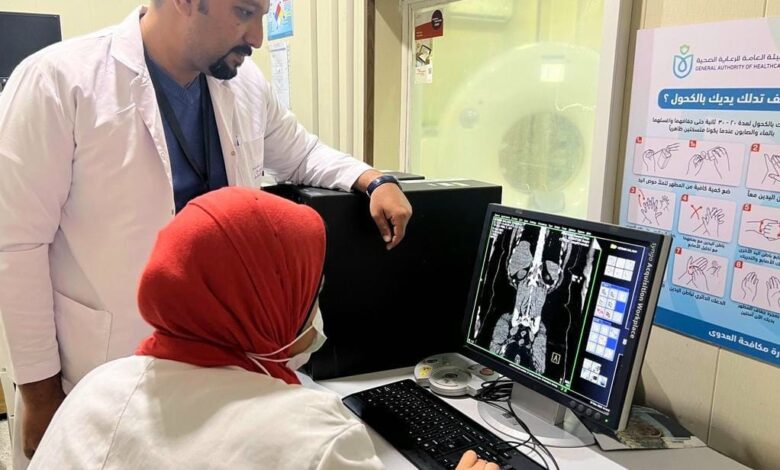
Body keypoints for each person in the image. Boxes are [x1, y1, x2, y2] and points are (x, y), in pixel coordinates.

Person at [0, 0, 411, 466]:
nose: (257, 38)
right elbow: (16, 246)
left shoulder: (242, 83)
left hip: (228, 374)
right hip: (103, 370)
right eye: (244, 12)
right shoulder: (58, 81)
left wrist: (372, 179)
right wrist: (39, 393)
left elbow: (301, 154)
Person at [28, 188, 494, 470]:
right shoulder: (309, 437)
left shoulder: (98, 386)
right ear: (266, 301)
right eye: (311, 290)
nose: (316, 308)